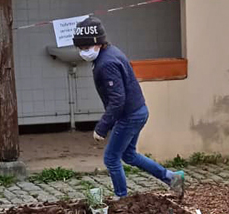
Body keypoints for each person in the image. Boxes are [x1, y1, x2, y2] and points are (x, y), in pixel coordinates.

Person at [73, 17, 185, 199]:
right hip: (138, 111)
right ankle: (172, 178)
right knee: (129, 155)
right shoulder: (111, 52)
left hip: (130, 115)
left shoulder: (106, 63)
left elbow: (118, 99)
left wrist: (102, 127)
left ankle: (121, 197)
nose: (83, 52)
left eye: (86, 48)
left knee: (111, 158)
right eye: (80, 49)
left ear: (98, 44)